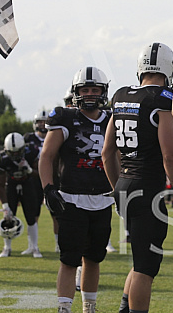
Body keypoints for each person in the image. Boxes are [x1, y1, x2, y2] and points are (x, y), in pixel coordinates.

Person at [101, 43, 173, 313]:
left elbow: (107, 153)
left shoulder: (122, 95)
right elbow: (170, 155)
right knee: (146, 267)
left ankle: (124, 309)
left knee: (142, 258)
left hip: (126, 182)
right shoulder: (162, 98)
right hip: (146, 187)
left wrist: (118, 189)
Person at [39, 67, 114, 313]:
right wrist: (48, 188)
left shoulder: (112, 119)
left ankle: (89, 306)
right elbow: (46, 156)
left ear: (103, 92)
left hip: (103, 198)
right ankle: (64, 308)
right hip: (71, 198)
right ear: (76, 92)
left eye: (94, 90)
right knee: (69, 259)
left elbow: (119, 158)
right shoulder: (65, 118)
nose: (90, 94)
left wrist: (121, 188)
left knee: (94, 258)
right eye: (85, 90)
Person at [0, 132, 42, 258]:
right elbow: (0, 184)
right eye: (13, 152)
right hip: (10, 186)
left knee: (31, 217)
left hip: (28, 184)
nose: (16, 155)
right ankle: (7, 248)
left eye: (18, 152)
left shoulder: (31, 151)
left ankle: (34, 247)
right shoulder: (3, 158)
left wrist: (28, 169)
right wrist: (5, 206)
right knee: (8, 218)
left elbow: (39, 174)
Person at [25, 109, 57, 253]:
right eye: (40, 121)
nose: (43, 124)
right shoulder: (28, 138)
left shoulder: (57, 135)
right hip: (33, 180)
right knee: (33, 213)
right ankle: (32, 245)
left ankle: (58, 245)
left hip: (53, 179)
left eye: (45, 122)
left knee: (56, 213)